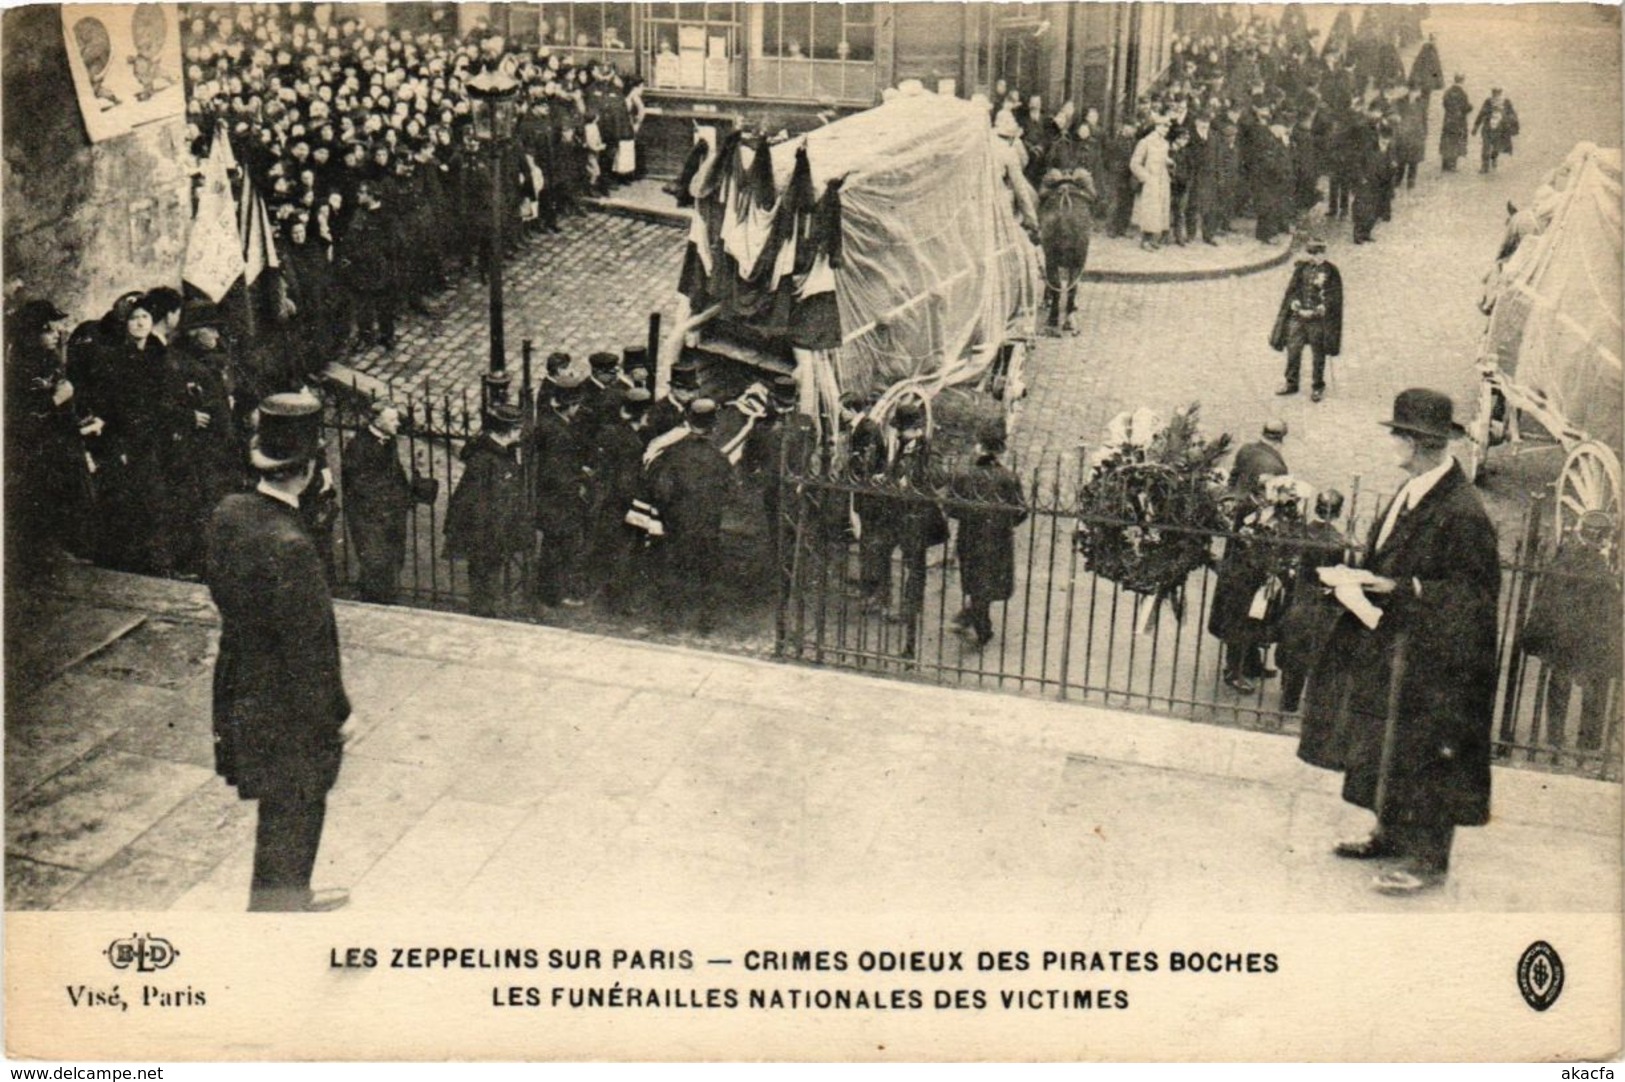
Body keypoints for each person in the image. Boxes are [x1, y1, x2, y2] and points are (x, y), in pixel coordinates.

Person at [1298, 389, 1500, 895]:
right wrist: (1358, 576)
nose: (1391, 441)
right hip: (1396, 647)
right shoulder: (1411, 490)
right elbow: (1387, 556)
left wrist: (1402, 588)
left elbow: (1475, 596)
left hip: (1437, 661)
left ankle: (1429, 860)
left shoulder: (1462, 511)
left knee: (1430, 754)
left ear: (1418, 443)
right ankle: (1388, 835)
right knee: (1389, 747)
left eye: (1398, 434)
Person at [207, 391, 352, 912]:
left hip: (242, 683)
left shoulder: (231, 513)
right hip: (287, 703)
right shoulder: (293, 549)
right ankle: (281, 909)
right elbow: (311, 650)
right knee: (298, 805)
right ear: (309, 469)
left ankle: (282, 898)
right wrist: (337, 713)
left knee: (278, 805)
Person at [1519, 511, 1621, 754]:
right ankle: (1583, 743)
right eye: (1604, 537)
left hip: (1571, 634)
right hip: (1584, 634)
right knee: (1588, 686)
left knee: (1567, 684)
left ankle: (1561, 740)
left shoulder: (1567, 553)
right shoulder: (1587, 558)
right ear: (1599, 536)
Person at [643, 397, 735, 633]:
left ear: (688, 420)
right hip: (707, 525)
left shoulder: (672, 454)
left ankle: (670, 622)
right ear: (713, 425)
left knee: (674, 570)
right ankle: (705, 624)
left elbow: (662, 492)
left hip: (677, 525)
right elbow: (729, 493)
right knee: (707, 573)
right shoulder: (719, 459)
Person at [943, 422, 1027, 650]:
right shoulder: (1008, 478)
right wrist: (1002, 523)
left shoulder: (964, 475)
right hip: (998, 540)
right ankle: (976, 621)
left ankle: (980, 626)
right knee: (988, 583)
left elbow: (951, 508)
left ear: (979, 447)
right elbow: (1021, 512)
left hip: (970, 537)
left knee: (975, 582)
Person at [443, 401, 530, 618]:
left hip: (497, 529)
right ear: (508, 431)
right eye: (518, 429)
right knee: (484, 577)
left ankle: (486, 611)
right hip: (486, 533)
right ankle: (483, 615)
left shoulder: (502, 452)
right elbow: (476, 502)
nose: (521, 433)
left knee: (491, 575)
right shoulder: (484, 459)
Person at [340, 400, 423, 604]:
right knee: (376, 562)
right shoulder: (359, 446)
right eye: (392, 419)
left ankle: (386, 599)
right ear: (377, 420)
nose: (397, 423)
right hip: (371, 517)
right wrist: (391, 502)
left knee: (393, 559)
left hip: (391, 514)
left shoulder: (387, 439)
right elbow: (359, 486)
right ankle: (375, 602)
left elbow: (395, 472)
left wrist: (408, 495)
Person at [1277, 489, 1349, 712]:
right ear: (1337, 513)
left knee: (1290, 644)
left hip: (1297, 595)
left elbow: (1285, 564)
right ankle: (1310, 701)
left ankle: (1288, 697)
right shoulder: (1337, 541)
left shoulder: (1300, 532)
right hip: (1320, 599)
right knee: (1312, 648)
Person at [1270, 238, 1344, 401]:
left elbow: (1334, 296)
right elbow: (1293, 289)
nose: (1313, 257)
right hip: (1298, 317)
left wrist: (1322, 307)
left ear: (1323, 253)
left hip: (1317, 320)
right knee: (1293, 349)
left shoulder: (1331, 271)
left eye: (1317, 253)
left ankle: (1318, 386)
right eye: (1311, 253)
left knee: (1318, 353)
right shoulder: (1302, 268)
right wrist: (1295, 301)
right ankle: (1291, 383)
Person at [1129, 116, 1173, 250]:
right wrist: (1145, 177)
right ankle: (1145, 240)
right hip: (1151, 180)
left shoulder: (1165, 144)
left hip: (1162, 180)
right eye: (1163, 126)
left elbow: (1162, 159)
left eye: (1167, 127)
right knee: (1149, 210)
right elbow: (1134, 163)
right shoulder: (1145, 142)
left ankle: (1154, 238)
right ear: (1156, 126)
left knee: (1159, 211)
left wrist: (1168, 162)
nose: (1165, 129)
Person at [1471, 86, 1519, 173]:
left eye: (1497, 93)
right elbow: (1481, 113)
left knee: (1496, 147)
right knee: (1486, 146)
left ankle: (1493, 159)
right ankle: (1484, 166)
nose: (1495, 95)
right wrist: (1476, 126)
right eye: (1494, 93)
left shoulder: (1506, 102)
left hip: (1499, 128)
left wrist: (1513, 126)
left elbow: (1512, 114)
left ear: (1500, 93)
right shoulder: (1488, 101)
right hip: (1488, 128)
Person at [1439, 74, 1472, 173]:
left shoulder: (1448, 92)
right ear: (1462, 81)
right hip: (1459, 121)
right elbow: (1465, 107)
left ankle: (1444, 165)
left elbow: (1444, 104)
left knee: (1447, 141)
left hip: (1448, 120)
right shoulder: (1462, 93)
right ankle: (1452, 165)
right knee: (1456, 142)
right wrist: (1470, 107)